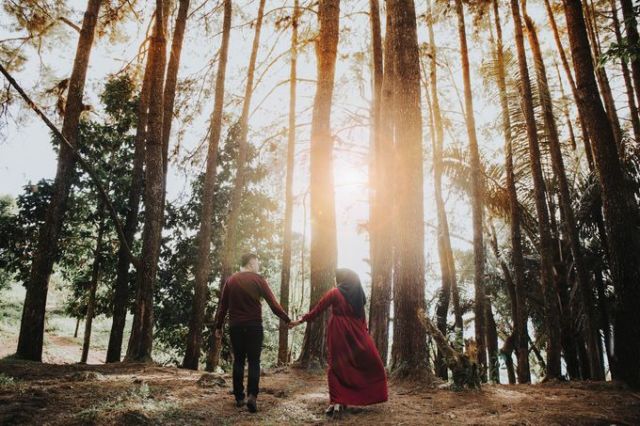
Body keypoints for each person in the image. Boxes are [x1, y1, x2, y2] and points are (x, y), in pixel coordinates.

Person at [289, 268, 388, 417]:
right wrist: (364, 333)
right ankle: (340, 400)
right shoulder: (358, 297)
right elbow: (362, 318)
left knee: (336, 365)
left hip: (338, 331)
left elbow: (318, 309)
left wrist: (300, 320)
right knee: (357, 364)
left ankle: (336, 402)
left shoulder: (335, 292)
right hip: (356, 332)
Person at [214, 253, 291, 413]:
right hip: (254, 326)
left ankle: (239, 397)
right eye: (257, 263)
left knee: (239, 361)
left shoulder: (231, 281)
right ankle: (252, 396)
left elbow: (223, 307)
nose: (258, 266)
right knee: (254, 362)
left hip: (235, 326)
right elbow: (273, 304)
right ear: (250, 263)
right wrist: (287, 319)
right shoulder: (258, 280)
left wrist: (218, 327)